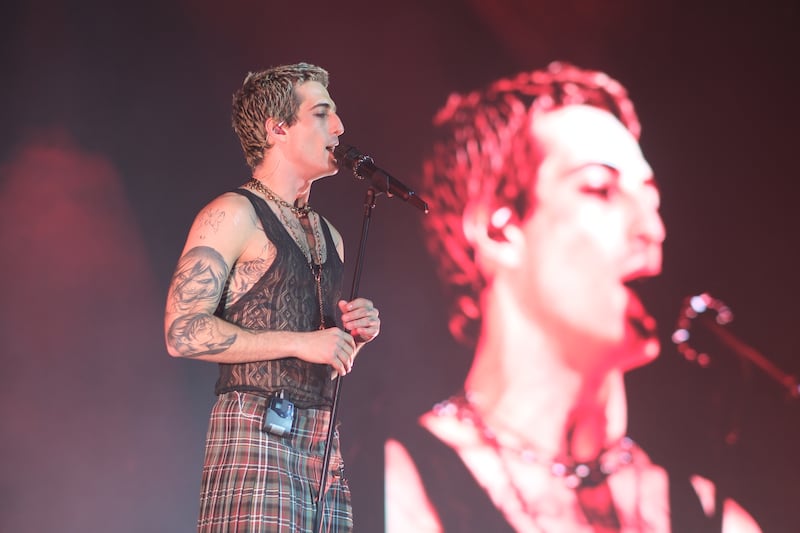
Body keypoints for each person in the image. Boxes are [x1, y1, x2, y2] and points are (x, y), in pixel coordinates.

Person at [385, 62, 760, 532]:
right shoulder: (395, 487)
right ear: (499, 230)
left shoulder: (714, 517)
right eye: (600, 189)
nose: (653, 229)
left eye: (652, 199)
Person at [164, 62, 380, 532]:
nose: (339, 127)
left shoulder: (330, 236)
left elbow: (315, 357)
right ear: (277, 128)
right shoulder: (234, 213)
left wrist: (349, 341)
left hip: (320, 439)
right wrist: (302, 342)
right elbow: (182, 332)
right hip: (256, 427)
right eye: (321, 113)